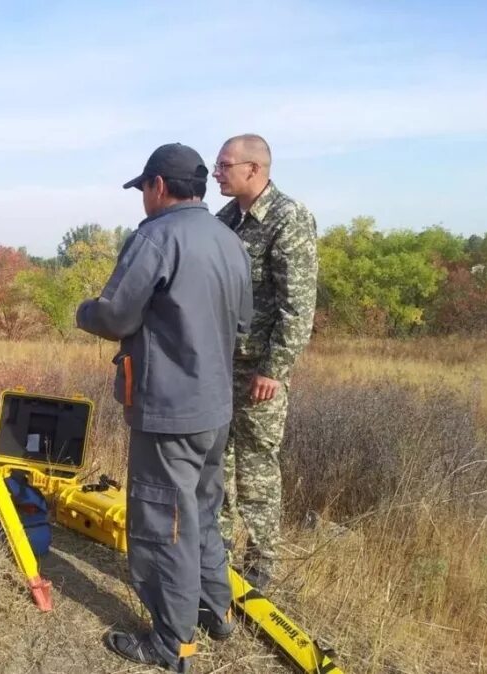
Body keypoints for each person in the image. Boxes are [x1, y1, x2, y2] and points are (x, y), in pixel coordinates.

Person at [76, 143, 252, 673]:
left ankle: (171, 643)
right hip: (216, 409)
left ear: (157, 186)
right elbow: (243, 323)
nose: (143, 200)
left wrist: (84, 311)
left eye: (144, 190)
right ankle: (216, 610)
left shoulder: (156, 236)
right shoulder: (229, 238)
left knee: (163, 523)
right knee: (202, 511)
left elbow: (115, 316)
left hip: (169, 409)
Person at [212, 134, 318, 590]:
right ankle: (215, 555)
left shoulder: (287, 219)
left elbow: (298, 304)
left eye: (224, 165)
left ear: (254, 169)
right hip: (219, 366)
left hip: (259, 373)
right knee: (215, 460)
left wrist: (274, 369)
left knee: (255, 467)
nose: (216, 173)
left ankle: (260, 565)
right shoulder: (224, 220)